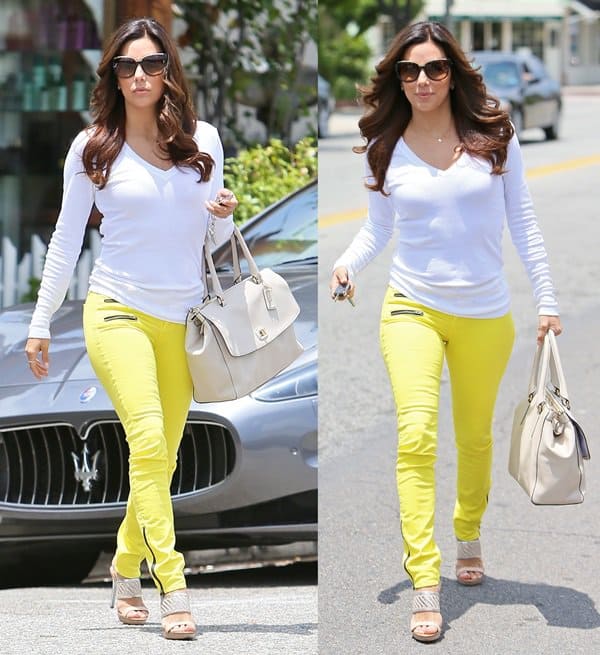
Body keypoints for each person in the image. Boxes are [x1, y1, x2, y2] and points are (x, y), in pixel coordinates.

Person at [329, 21, 561, 643]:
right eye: (409, 71)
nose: (422, 81)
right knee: (416, 435)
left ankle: (467, 530)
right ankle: (425, 580)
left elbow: (525, 225)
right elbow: (379, 227)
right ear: (396, 79)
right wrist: (349, 262)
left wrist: (547, 300)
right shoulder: (386, 145)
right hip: (411, 307)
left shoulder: (494, 138)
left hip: (487, 315)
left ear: (453, 73)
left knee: (476, 439)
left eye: (434, 69)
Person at [25, 17, 237, 641]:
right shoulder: (93, 147)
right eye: (126, 65)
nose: (139, 75)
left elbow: (214, 244)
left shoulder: (204, 142)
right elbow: (65, 241)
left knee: (160, 458)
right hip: (115, 311)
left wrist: (223, 214)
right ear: (112, 75)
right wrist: (41, 326)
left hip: (183, 319)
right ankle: (172, 585)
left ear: (169, 70)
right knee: (146, 440)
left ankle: (123, 565)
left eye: (150, 64)